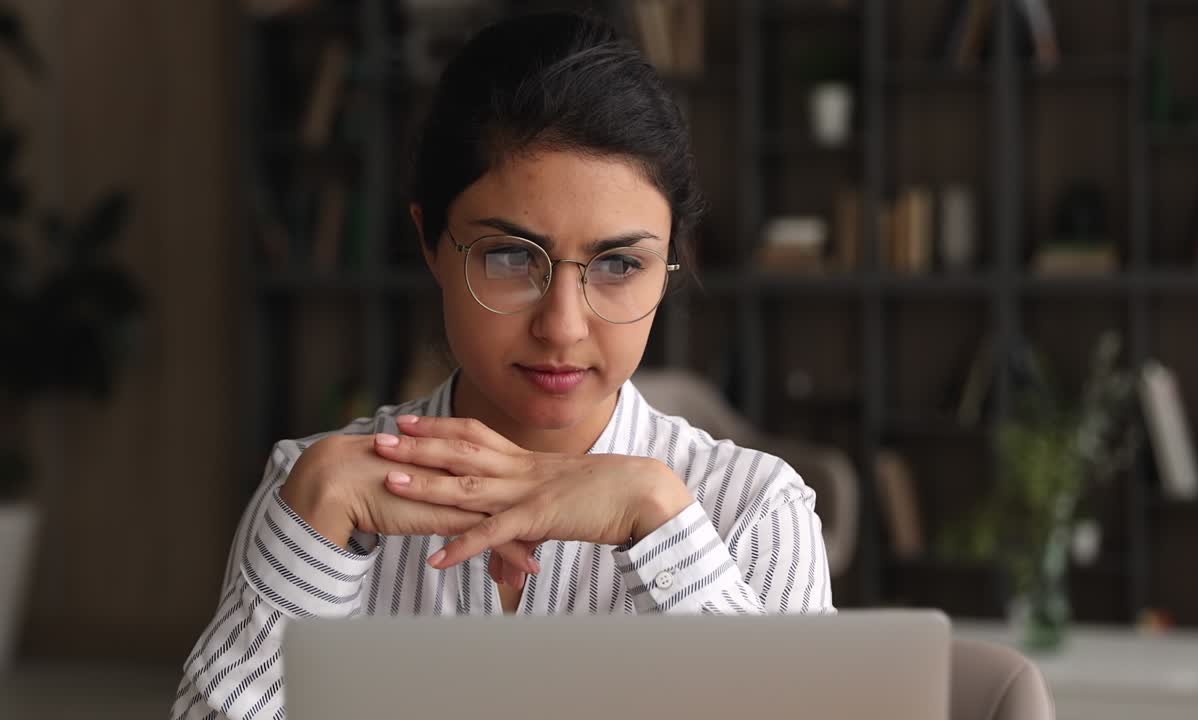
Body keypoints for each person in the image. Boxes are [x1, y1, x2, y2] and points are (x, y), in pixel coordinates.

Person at [172, 11, 832, 720]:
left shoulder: (754, 513)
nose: (563, 327)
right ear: (432, 242)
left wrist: (659, 521)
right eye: (512, 257)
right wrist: (315, 523)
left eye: (618, 264)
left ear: (670, 263)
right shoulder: (314, 496)